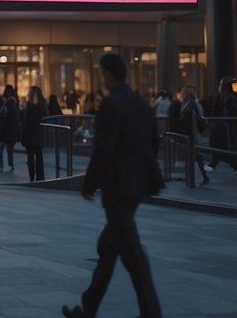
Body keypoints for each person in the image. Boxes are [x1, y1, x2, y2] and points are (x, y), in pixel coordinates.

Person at [62, 53, 162, 318]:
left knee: (132, 254)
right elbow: (154, 142)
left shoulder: (111, 104)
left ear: (108, 74)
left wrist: (89, 183)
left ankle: (151, 311)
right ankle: (89, 306)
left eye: (101, 72)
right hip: (137, 186)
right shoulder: (141, 103)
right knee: (109, 247)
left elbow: (104, 148)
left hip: (117, 187)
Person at [207, 77, 237, 174]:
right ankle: (229, 165)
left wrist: (224, 120)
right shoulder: (226, 97)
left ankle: (233, 166)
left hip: (226, 127)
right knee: (223, 146)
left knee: (225, 146)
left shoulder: (229, 98)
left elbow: (231, 113)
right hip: (224, 126)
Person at [178, 85, 210, 185]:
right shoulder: (187, 104)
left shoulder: (191, 104)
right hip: (189, 133)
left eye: (183, 93)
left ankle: (193, 178)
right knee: (194, 155)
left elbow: (194, 118)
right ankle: (200, 176)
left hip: (191, 133)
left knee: (193, 154)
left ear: (187, 94)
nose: (181, 95)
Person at [22, 86, 47, 182]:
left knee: (30, 156)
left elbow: (26, 121)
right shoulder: (42, 105)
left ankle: (32, 176)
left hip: (29, 133)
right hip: (38, 133)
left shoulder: (28, 107)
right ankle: (40, 176)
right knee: (39, 155)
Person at [0, 86, 21, 173]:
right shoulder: (13, 101)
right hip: (10, 129)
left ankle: (2, 166)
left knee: (2, 149)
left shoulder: (8, 102)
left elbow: (6, 114)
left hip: (6, 129)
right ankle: (10, 165)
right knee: (9, 149)